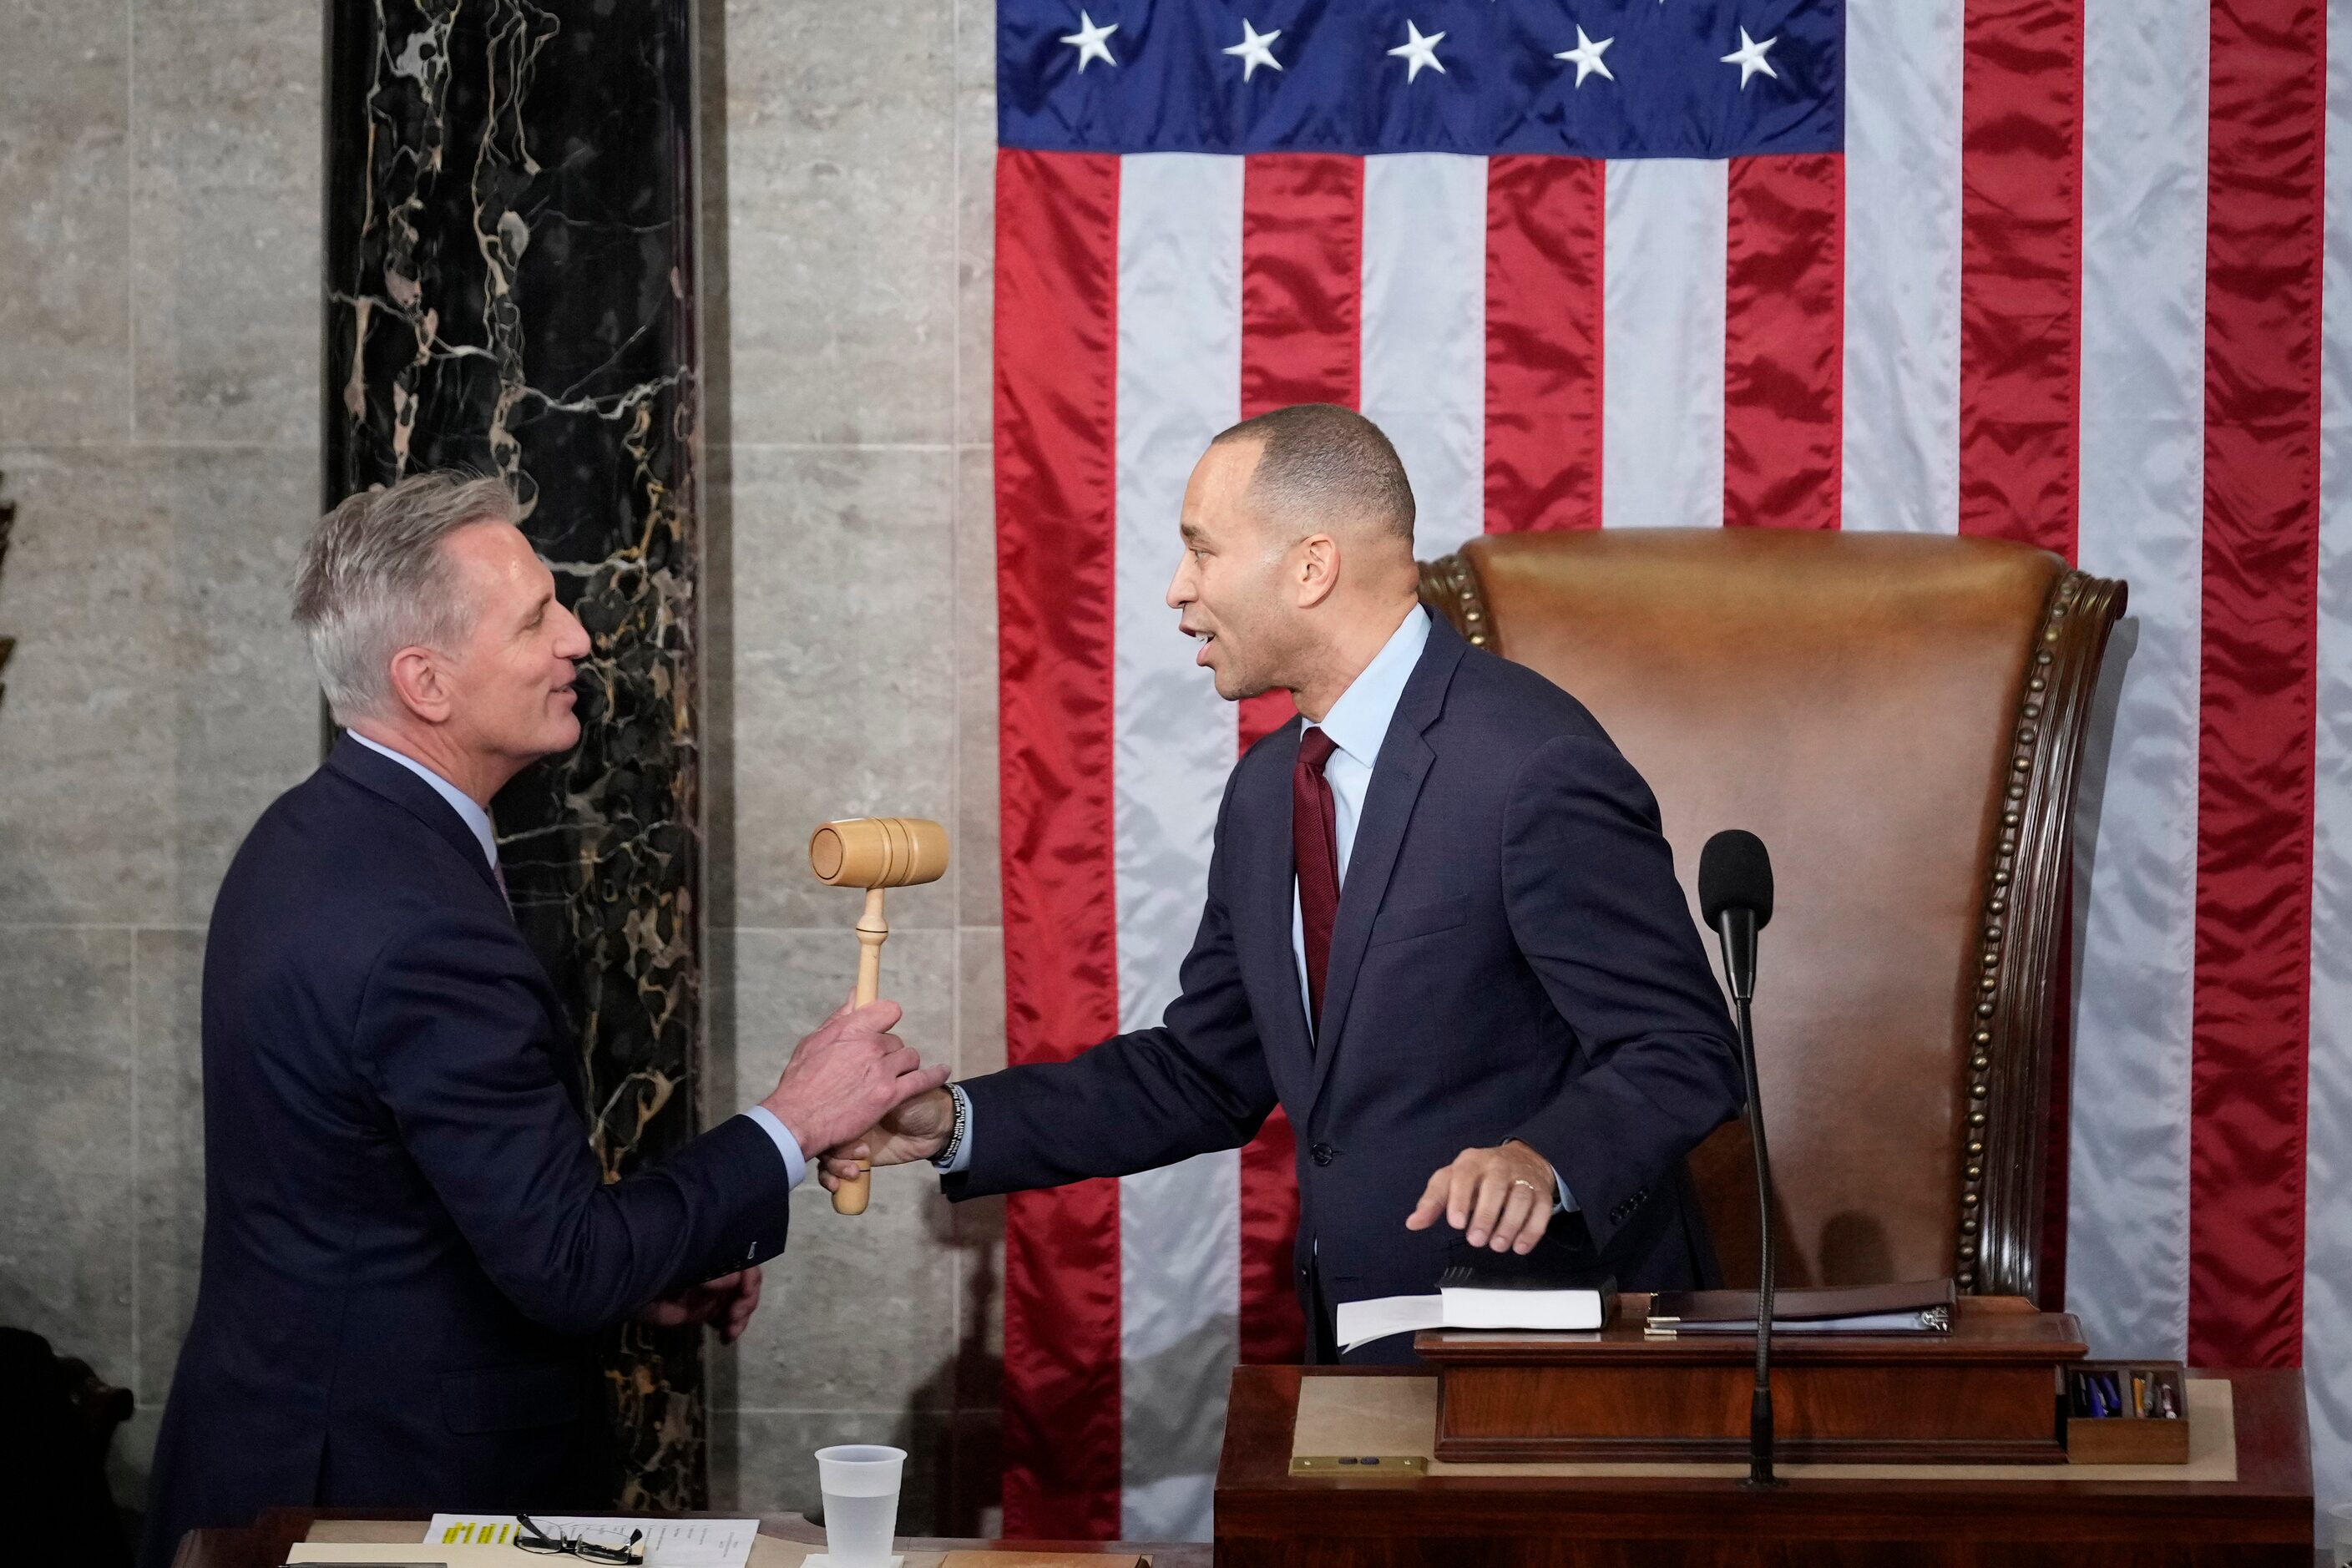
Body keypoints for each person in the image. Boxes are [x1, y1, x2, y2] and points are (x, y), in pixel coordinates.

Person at [139, 474, 949, 1565]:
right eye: (533, 619)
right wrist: (793, 1122)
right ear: (423, 681)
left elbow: (424, 1198)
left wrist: (657, 1256)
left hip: (287, 1439)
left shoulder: (312, 832)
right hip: (373, 1492)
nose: (577, 636)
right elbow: (564, 1259)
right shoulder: (420, 922)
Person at [832, 404, 1744, 1360]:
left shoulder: (1530, 763)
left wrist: (1544, 1159)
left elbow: (1684, 1049)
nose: (1178, 591)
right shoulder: (1269, 790)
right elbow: (1204, 1072)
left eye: (1202, 551)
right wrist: (953, 1122)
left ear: (1312, 566)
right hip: (1358, 1355)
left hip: (1547, 1362)